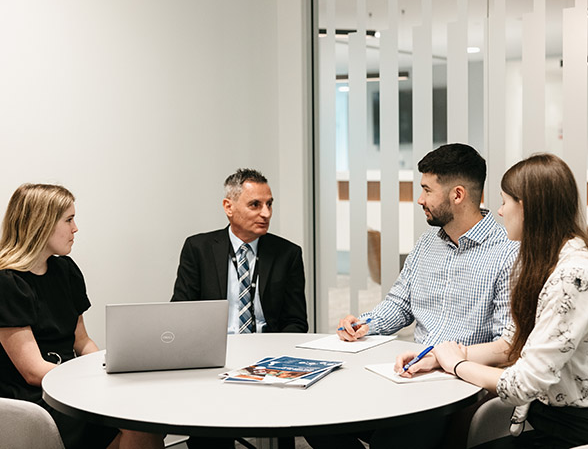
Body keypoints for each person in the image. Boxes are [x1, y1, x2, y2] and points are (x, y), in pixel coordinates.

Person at [308, 144, 519, 449]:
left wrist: (445, 360)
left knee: (393, 442)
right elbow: (399, 304)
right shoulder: (425, 246)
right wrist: (364, 323)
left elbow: (506, 343)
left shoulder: (507, 254)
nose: (420, 199)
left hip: (457, 384)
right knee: (321, 422)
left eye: (426, 190)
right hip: (410, 372)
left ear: (457, 195)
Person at [397, 153, 588, 448]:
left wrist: (457, 364)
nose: (498, 212)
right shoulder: (544, 261)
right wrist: (437, 357)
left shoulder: (572, 275)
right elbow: (510, 342)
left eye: (504, 202)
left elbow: (521, 384)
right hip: (549, 420)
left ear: (526, 208)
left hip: (573, 430)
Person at [0, 183, 163, 449]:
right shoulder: (7, 283)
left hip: (70, 382)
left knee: (146, 420)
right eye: (69, 219)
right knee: (135, 424)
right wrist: (91, 383)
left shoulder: (65, 270)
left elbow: (82, 341)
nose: (75, 228)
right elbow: (32, 371)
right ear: (41, 224)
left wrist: (108, 367)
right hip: (37, 397)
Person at [172, 168, 308, 449]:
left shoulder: (288, 254)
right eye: (255, 204)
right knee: (208, 432)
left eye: (269, 204)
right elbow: (181, 314)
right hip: (215, 357)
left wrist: (278, 359)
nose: (266, 213)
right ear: (228, 207)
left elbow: (296, 321)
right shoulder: (198, 248)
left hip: (269, 358)